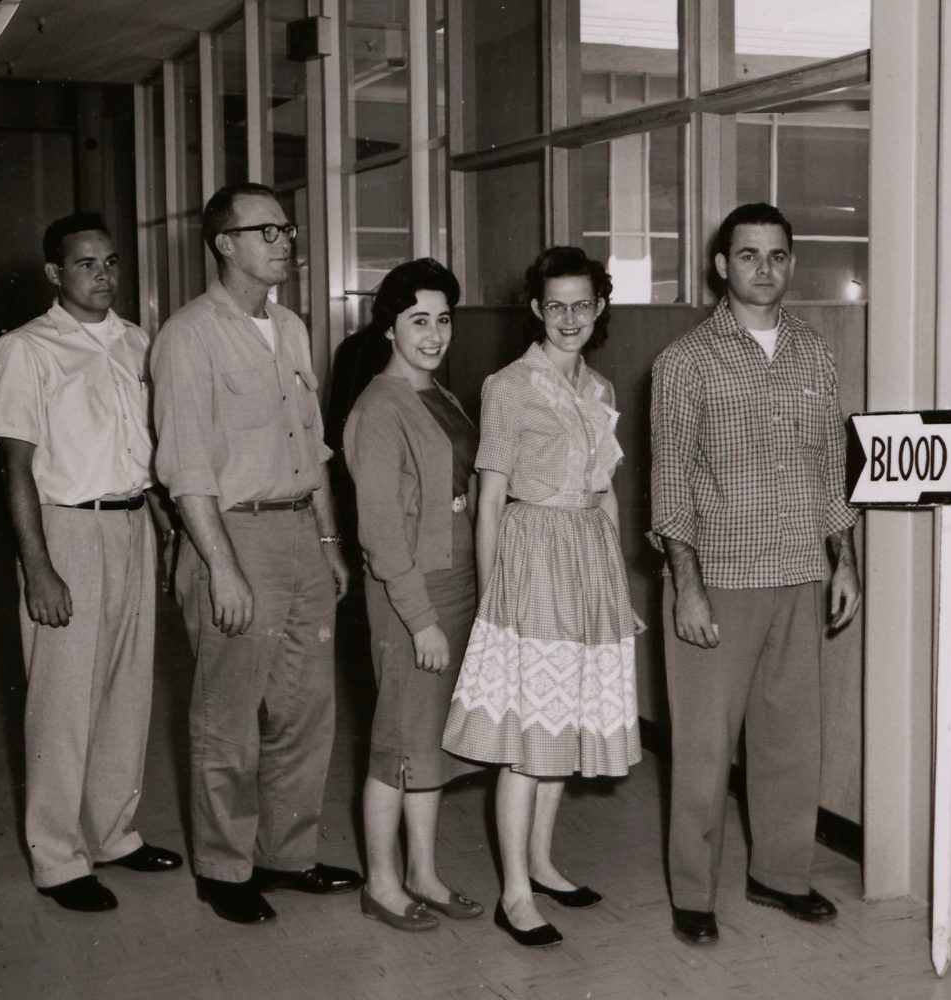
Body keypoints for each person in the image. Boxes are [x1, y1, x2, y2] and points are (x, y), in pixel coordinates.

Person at [650, 202, 860, 947]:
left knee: (790, 743)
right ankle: (693, 894)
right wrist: (688, 587)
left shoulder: (815, 354)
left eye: (776, 255)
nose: (763, 269)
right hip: (721, 581)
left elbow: (832, 471)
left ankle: (780, 876)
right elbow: (670, 485)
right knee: (705, 753)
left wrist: (845, 563)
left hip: (801, 571)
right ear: (721, 265)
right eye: (748, 256)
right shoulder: (686, 362)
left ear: (791, 263)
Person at [150, 183, 360, 924]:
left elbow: (316, 448)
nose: (284, 241)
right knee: (227, 717)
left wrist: (330, 542)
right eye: (264, 230)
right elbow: (185, 469)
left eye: (287, 227)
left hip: (301, 532)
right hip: (231, 537)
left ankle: (287, 854)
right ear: (223, 244)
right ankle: (223, 866)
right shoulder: (187, 336)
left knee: (306, 710)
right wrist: (222, 569)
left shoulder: (293, 328)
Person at [443, 246, 642, 949]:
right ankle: (515, 894)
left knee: (569, 723)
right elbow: (490, 497)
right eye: (554, 305)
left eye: (581, 305)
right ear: (535, 308)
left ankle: (543, 862)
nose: (568, 318)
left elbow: (606, 489)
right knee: (529, 737)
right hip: (531, 557)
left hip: (587, 558)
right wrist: (495, 598)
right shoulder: (508, 386)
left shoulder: (601, 389)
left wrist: (613, 574)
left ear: (599, 308)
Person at [0, 212, 183, 912]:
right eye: (86, 264)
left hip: (133, 525)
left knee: (128, 692)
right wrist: (37, 566)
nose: (102, 275)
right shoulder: (25, 350)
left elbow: (150, 456)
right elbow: (16, 470)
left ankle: (114, 834)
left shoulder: (137, 343)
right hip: (65, 530)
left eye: (110, 263)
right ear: (54, 274)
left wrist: (165, 530)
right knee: (62, 703)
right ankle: (57, 856)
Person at [343, 259, 485, 933]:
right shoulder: (377, 408)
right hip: (412, 597)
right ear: (390, 326)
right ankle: (381, 882)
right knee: (397, 741)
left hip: (456, 584)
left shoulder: (442, 395)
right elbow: (379, 535)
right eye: (417, 321)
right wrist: (421, 621)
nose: (433, 335)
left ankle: (423, 873)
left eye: (443, 320)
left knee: (428, 743)